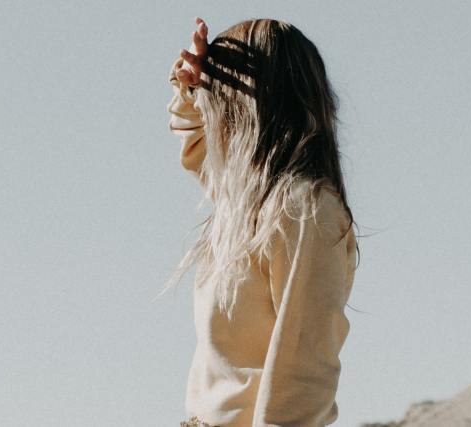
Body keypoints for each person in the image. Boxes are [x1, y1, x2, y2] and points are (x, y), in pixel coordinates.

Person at [160, 17, 360, 427]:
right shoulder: (250, 206)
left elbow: (304, 371)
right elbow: (199, 149)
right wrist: (190, 88)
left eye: (216, 94)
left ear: (242, 101)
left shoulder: (304, 210)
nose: (209, 108)